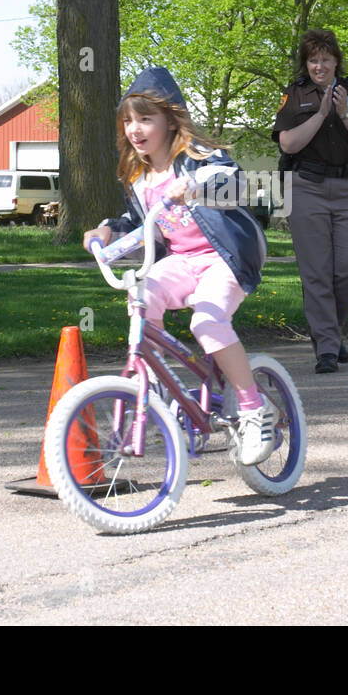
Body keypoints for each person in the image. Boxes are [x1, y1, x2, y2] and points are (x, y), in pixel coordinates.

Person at [83, 66, 274, 465]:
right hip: (181, 262)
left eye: (145, 118)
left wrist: (196, 186)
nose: (135, 129)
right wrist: (106, 232)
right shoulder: (138, 176)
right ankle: (158, 388)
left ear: (170, 121)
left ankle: (255, 410)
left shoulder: (199, 158)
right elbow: (140, 224)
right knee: (141, 298)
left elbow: (234, 184)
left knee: (205, 323)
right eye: (128, 121)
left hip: (223, 259)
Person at [272, 29, 348, 374]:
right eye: (313, 59)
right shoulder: (295, 93)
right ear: (306, 63)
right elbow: (288, 144)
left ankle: (329, 333)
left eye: (325, 59)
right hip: (306, 188)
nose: (319, 66)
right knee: (316, 272)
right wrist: (320, 114)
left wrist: (345, 113)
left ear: (336, 61)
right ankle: (327, 350)